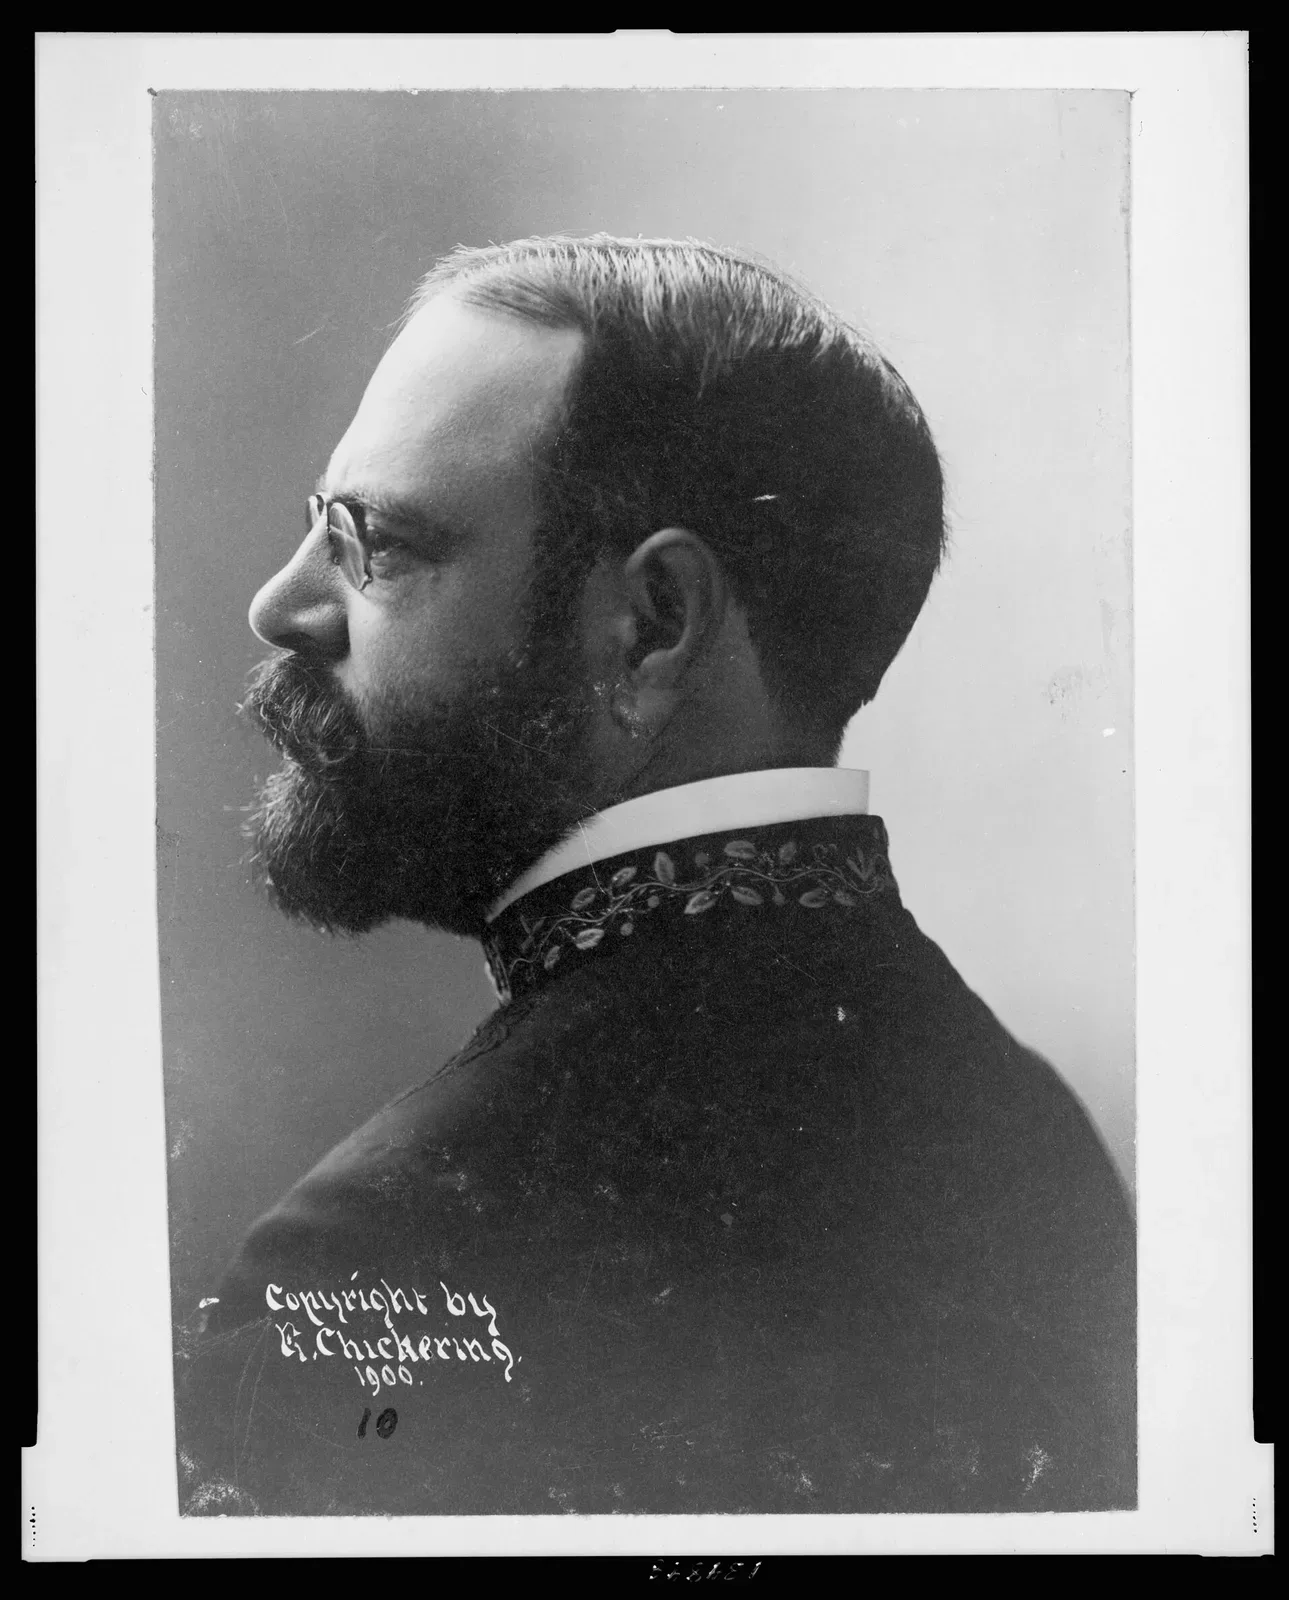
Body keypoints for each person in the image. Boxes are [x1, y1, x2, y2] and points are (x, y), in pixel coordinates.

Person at [174, 235, 1135, 1516]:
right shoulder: (1027, 1137)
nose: (279, 605)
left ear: (651, 627)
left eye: (375, 544)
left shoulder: (381, 1250)